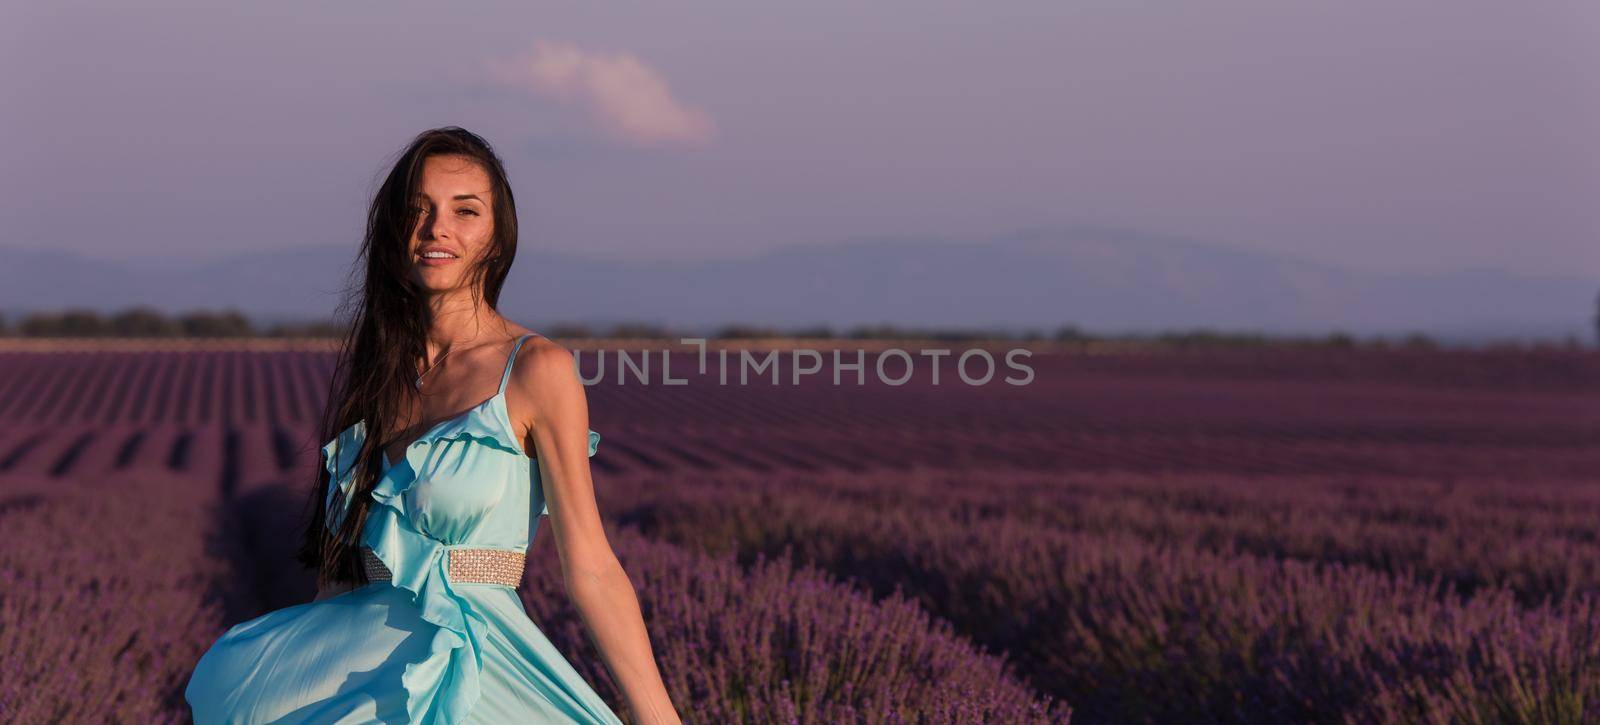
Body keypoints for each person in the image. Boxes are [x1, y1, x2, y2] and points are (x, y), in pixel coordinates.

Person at [185, 127, 680, 724]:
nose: (437, 228)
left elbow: (592, 566)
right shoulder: (377, 374)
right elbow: (342, 577)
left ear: (498, 236)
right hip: (361, 682)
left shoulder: (536, 370)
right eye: (417, 210)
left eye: (464, 211)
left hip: (474, 671)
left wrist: (659, 719)